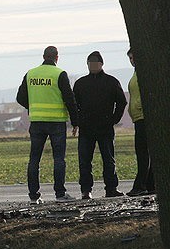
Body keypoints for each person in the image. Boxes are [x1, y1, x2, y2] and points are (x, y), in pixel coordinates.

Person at [16, 46, 79, 204]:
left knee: (34, 159)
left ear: (43, 57)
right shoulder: (59, 74)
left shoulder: (30, 74)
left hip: (37, 122)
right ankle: (60, 194)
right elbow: (69, 99)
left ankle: (33, 196)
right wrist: (75, 121)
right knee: (58, 159)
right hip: (56, 122)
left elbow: (20, 98)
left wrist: (33, 107)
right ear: (57, 58)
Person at [72, 51, 127, 199]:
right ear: (87, 65)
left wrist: (114, 119)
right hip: (86, 128)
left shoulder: (111, 81)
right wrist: (77, 121)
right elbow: (74, 104)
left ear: (101, 64)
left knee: (108, 159)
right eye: (90, 63)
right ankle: (86, 190)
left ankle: (111, 188)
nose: (93, 65)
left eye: (95, 63)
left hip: (105, 127)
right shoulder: (80, 83)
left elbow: (121, 102)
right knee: (84, 161)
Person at [125, 48, 154, 196]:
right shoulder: (135, 74)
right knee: (143, 152)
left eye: (133, 57)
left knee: (143, 152)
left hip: (145, 117)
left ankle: (140, 185)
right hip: (138, 118)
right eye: (129, 58)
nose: (131, 60)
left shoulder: (145, 72)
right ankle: (150, 184)